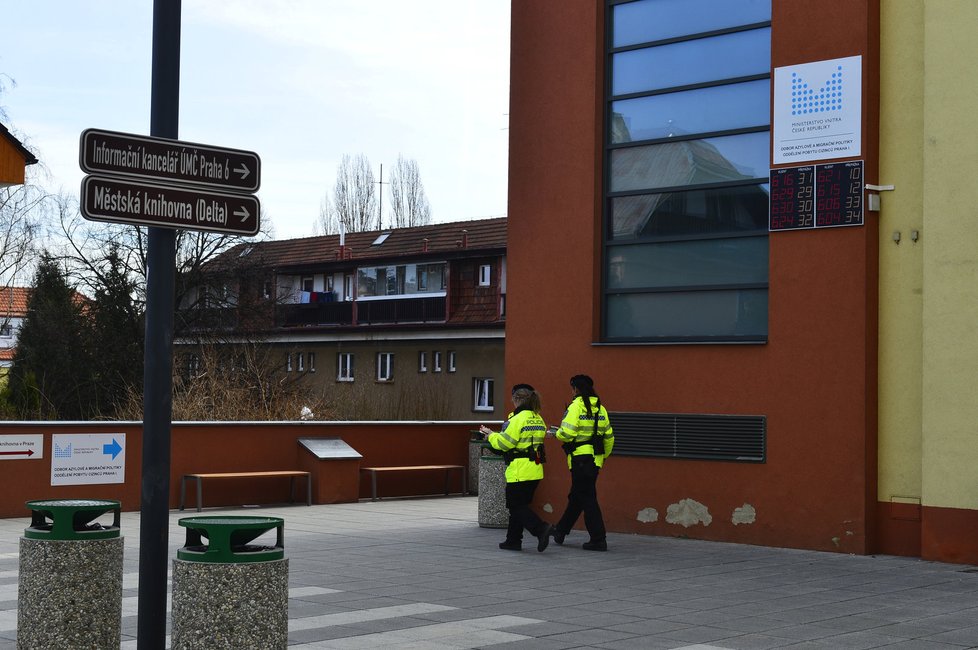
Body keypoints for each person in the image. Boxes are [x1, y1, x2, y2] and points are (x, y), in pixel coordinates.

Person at [479, 384, 554, 552]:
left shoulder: (517, 419)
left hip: (519, 470)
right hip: (534, 469)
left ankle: (541, 529)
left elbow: (505, 443)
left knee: (515, 506)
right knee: (520, 506)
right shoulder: (537, 418)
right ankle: (513, 541)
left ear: (517, 400)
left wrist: (491, 435)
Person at [552, 374, 614, 551]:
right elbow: (609, 437)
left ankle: (598, 539)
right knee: (578, 496)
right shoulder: (600, 409)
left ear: (576, 389)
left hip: (579, 458)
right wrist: (603, 458)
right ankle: (560, 530)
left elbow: (567, 433)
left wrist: (556, 434)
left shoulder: (576, 407)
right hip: (594, 459)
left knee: (587, 499)